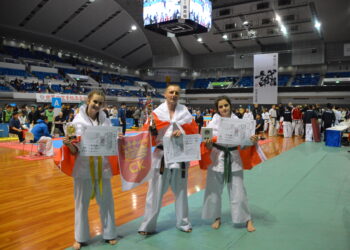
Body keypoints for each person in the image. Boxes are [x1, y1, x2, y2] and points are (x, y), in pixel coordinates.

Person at [138, 84, 198, 235]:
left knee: (181, 191)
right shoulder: (156, 113)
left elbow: (194, 132)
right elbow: (147, 136)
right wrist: (153, 131)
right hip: (161, 156)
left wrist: (182, 133)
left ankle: (183, 223)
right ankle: (148, 226)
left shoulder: (185, 112)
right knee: (155, 192)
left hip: (180, 156)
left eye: (177, 92)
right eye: (171, 92)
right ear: (165, 94)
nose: (174, 95)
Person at [62, 90, 117, 249]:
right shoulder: (76, 123)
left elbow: (109, 143)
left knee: (106, 202)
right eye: (95, 102)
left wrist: (115, 140)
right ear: (88, 101)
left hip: (103, 167)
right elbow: (74, 151)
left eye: (100, 103)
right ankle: (80, 237)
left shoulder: (106, 121)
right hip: (83, 168)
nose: (97, 105)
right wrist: (68, 144)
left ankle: (110, 233)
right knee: (81, 203)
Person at [201, 96, 257, 232]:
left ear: (230, 106)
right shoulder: (212, 123)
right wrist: (207, 145)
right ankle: (216, 218)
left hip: (234, 158)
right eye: (220, 107)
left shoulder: (239, 122)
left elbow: (243, 146)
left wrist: (251, 141)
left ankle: (247, 219)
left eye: (226, 105)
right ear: (217, 109)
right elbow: (206, 145)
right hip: (216, 159)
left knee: (238, 191)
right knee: (214, 191)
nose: (223, 108)